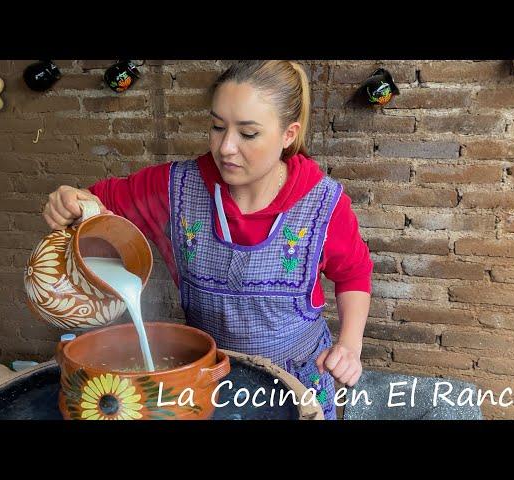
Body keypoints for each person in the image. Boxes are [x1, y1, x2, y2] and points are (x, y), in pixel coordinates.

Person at [42, 60, 373, 419]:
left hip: (295, 384)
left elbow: (353, 273)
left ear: (288, 134)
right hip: (204, 379)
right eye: (217, 127)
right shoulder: (178, 188)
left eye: (247, 134)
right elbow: (98, 203)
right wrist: (72, 201)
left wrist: (350, 345)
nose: (226, 147)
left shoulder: (322, 204)